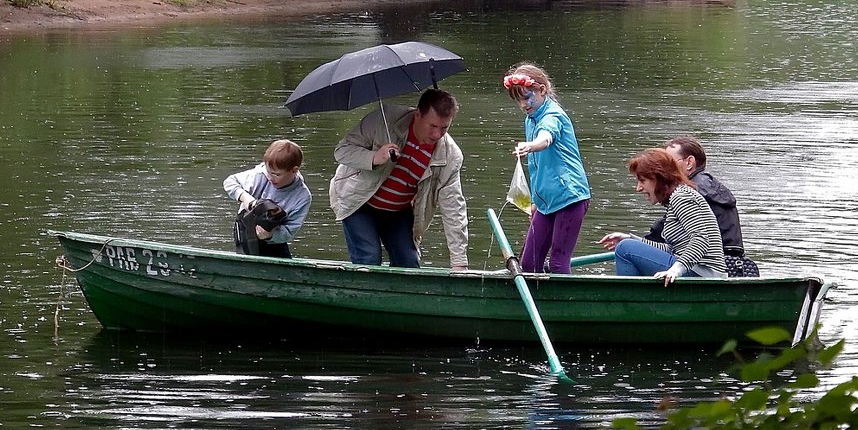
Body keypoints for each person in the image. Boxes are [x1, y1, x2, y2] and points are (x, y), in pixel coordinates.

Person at [328, 88, 469, 270]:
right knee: (370, 258)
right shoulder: (384, 120)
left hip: (398, 211)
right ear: (418, 114)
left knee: (409, 265)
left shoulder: (450, 156)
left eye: (444, 128)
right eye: (432, 126)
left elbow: (454, 208)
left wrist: (459, 262)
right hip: (359, 202)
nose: (437, 135)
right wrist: (375, 157)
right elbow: (342, 151)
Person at [503, 63, 591, 274]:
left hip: (570, 197)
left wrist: (530, 146)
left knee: (558, 263)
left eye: (526, 97)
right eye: (518, 100)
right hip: (545, 201)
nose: (524, 105)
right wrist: (535, 200)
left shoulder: (553, 116)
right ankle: (540, 302)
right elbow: (538, 167)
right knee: (529, 264)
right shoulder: (530, 119)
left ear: (541, 90)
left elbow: (546, 138)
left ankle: (566, 306)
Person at [598, 148, 726, 285]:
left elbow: (701, 239)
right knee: (627, 244)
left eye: (642, 181)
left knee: (625, 248)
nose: (638, 188)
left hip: (702, 274)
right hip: (696, 270)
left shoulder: (681, 197)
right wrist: (632, 239)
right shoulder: (677, 197)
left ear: (659, 178)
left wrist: (675, 270)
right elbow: (672, 249)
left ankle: (630, 303)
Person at [648, 136, 747, 258]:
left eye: (669, 163)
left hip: (707, 264)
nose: (663, 170)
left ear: (689, 163)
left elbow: (663, 233)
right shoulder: (713, 188)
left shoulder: (690, 192)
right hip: (731, 261)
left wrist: (637, 243)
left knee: (628, 249)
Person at [223, 139, 312, 258]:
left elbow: (290, 231)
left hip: (275, 239)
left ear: (294, 171)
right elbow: (229, 182)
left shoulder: (302, 196)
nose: (271, 178)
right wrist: (246, 199)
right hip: (245, 229)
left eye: (276, 174)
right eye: (269, 172)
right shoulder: (259, 175)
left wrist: (270, 235)